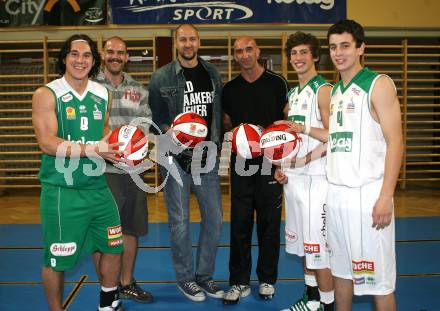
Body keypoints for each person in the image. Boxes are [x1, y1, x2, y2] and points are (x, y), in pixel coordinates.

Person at [32, 34, 124, 311]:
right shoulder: (46, 94)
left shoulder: (102, 93)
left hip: (97, 186)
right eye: (74, 54)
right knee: (57, 260)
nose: (80, 60)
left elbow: (105, 130)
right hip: (62, 189)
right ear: (64, 57)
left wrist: (121, 148)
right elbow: (47, 142)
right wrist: (95, 149)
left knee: (113, 245)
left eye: (86, 55)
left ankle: (107, 304)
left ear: (94, 60)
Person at [326, 20, 403, 310]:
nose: (338, 53)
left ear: (361, 48)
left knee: (378, 282)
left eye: (345, 45)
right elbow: (335, 139)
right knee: (341, 274)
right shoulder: (335, 91)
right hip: (336, 196)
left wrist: (386, 196)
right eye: (333, 47)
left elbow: (395, 141)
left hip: (367, 196)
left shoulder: (378, 84)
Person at [148, 24, 224, 302]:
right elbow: (155, 120)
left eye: (192, 38)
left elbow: (216, 115)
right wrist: (171, 134)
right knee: (179, 222)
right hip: (174, 159)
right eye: (183, 39)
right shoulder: (160, 77)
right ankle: (185, 279)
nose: (188, 43)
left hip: (207, 158)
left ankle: (204, 277)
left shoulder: (213, 74)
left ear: (199, 42)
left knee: (214, 219)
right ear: (176, 43)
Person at [222, 36, 288, 305]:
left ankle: (267, 280)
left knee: (269, 225)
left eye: (249, 49)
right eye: (239, 51)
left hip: (271, 163)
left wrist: (282, 159)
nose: (244, 54)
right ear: (234, 56)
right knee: (239, 223)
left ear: (257, 51)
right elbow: (226, 124)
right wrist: (238, 137)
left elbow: (288, 121)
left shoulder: (277, 83)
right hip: (241, 164)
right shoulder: (229, 89)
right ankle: (238, 280)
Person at [274, 32, 335, 311]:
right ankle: (311, 300)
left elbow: (335, 136)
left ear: (315, 57)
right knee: (304, 248)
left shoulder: (324, 90)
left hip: (316, 179)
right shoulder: (294, 93)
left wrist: (305, 148)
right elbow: (291, 142)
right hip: (295, 180)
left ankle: (327, 305)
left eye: (303, 53)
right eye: (293, 53)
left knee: (318, 250)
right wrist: (284, 166)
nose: (297, 58)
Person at [95, 36, 153, 303]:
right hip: (100, 170)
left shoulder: (139, 90)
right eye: (110, 51)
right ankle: (108, 285)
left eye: (120, 52)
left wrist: (131, 148)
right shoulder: (91, 87)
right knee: (104, 230)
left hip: (133, 170)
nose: (115, 56)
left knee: (131, 228)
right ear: (103, 54)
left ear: (127, 56)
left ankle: (126, 282)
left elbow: (144, 125)